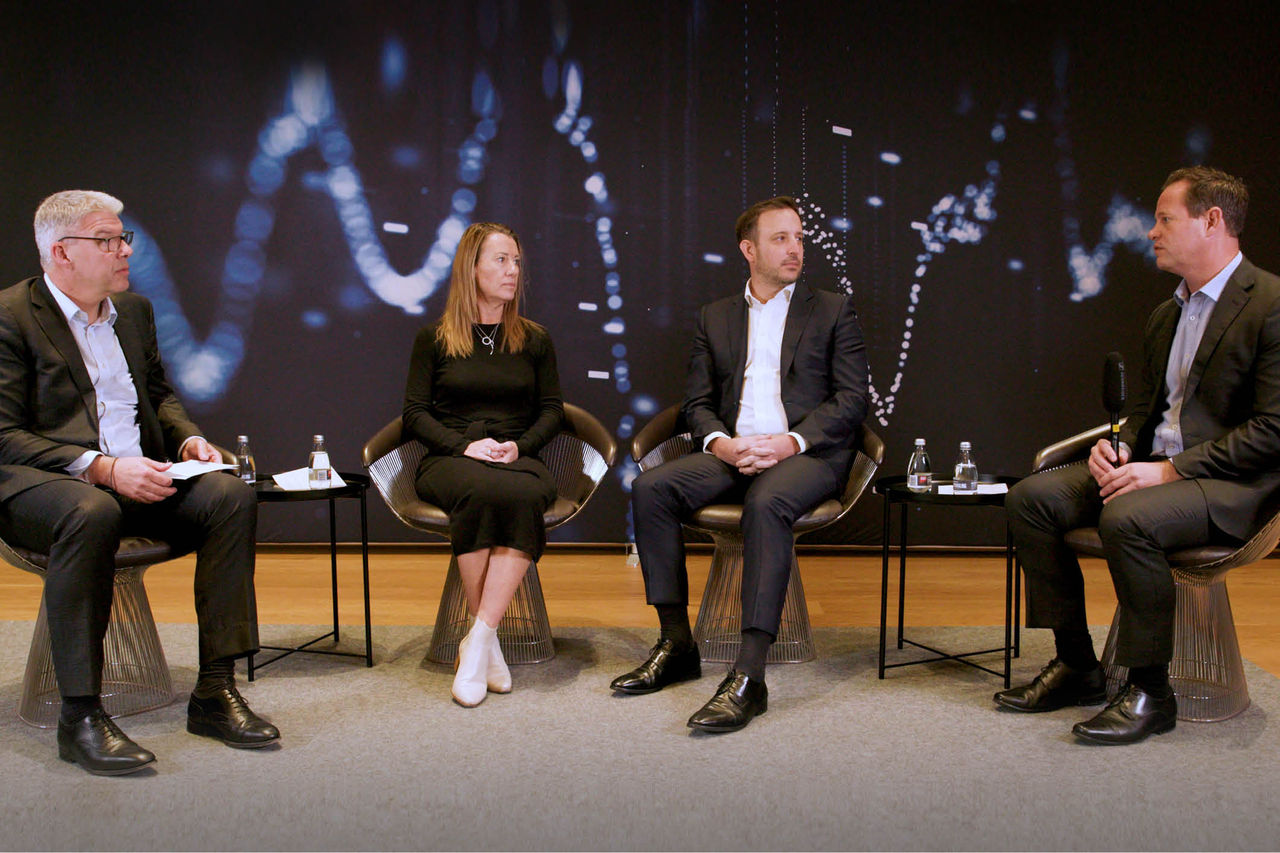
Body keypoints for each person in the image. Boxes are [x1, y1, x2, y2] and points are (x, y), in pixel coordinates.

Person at [0, 190, 278, 776]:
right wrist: (100, 468)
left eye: (123, 237)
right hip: (43, 482)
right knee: (90, 511)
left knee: (230, 494)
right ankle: (79, 717)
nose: (124, 250)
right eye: (107, 240)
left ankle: (214, 690)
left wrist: (185, 441)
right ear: (61, 252)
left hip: (137, 477)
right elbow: (3, 435)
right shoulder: (11, 317)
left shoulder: (135, 312)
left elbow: (157, 395)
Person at [999, 166, 1280, 744]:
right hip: (1157, 471)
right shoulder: (1166, 314)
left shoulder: (1270, 304)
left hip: (1234, 484)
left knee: (1128, 517)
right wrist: (1120, 445)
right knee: (1032, 499)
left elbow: (1274, 429)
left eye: (1164, 219)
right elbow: (1150, 412)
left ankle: (1152, 692)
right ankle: (1078, 665)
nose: (1151, 232)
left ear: (1212, 221)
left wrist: (1170, 469)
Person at [610, 196, 869, 732]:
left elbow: (851, 401)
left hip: (806, 455)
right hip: (735, 451)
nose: (795, 248)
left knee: (767, 500)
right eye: (781, 239)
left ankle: (750, 675)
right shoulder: (716, 316)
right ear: (748, 249)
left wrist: (788, 443)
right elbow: (696, 403)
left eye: (799, 237)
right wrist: (721, 444)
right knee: (651, 489)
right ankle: (677, 645)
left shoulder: (832, 309)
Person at [402, 222, 564, 707]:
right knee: (479, 491)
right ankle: (484, 646)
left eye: (516, 261)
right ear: (470, 268)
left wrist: (520, 447)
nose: (512, 270)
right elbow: (414, 414)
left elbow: (553, 409)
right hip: (453, 459)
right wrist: (463, 447)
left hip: (517, 456)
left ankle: (476, 643)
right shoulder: (432, 339)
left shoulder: (535, 339)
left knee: (520, 492)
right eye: (500, 260)